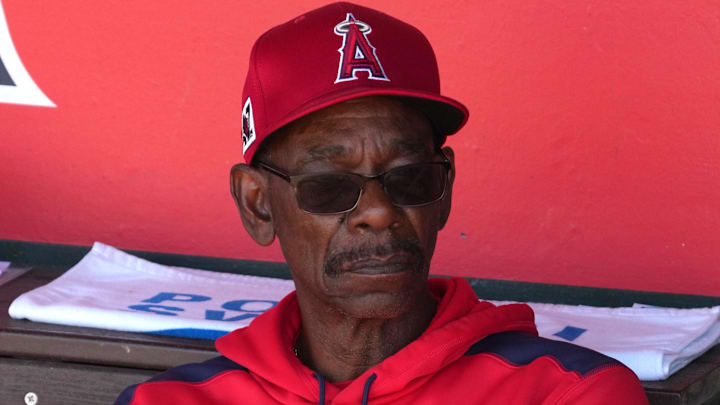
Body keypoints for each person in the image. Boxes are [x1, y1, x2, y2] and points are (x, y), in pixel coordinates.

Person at [115, 2, 649, 404]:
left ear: (445, 191)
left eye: (410, 178)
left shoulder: (563, 393)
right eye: (329, 186)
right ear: (257, 205)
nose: (379, 211)